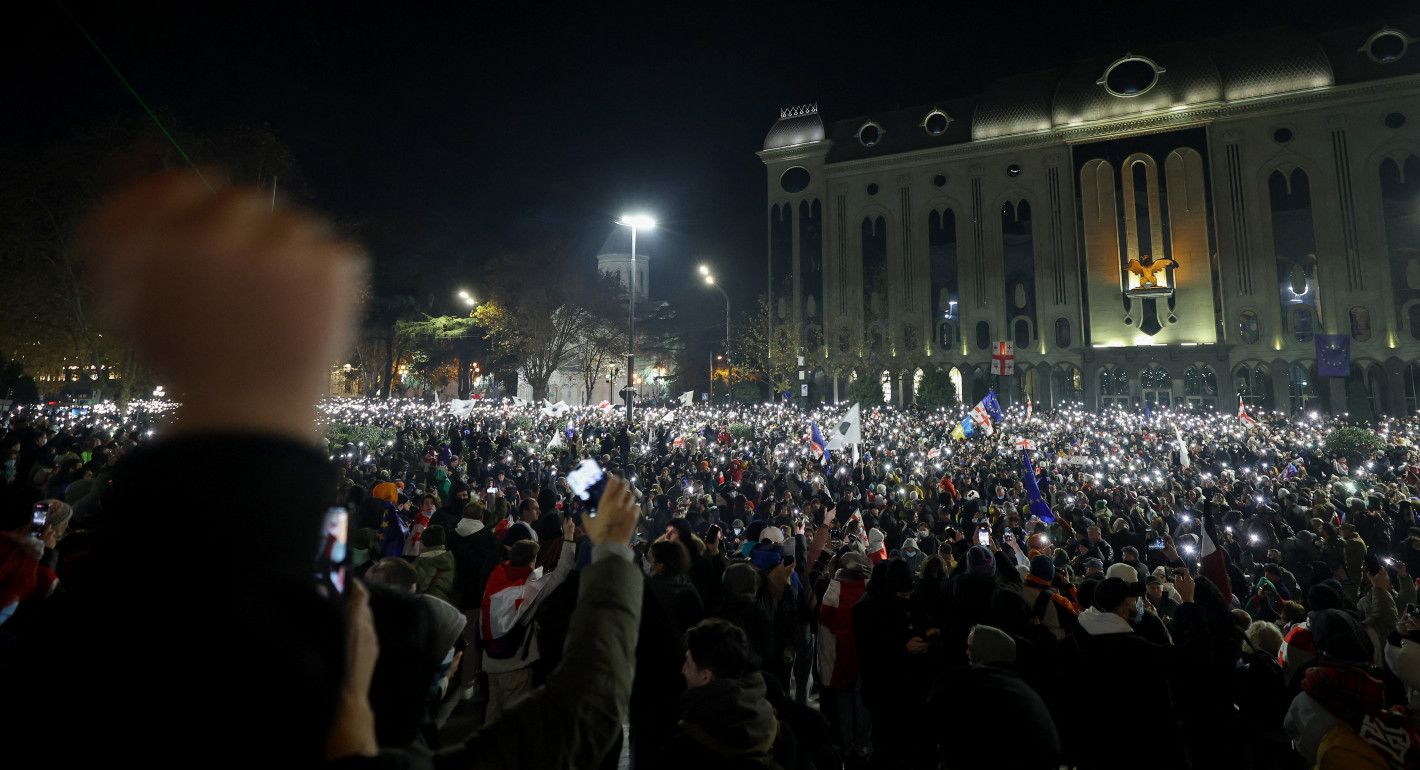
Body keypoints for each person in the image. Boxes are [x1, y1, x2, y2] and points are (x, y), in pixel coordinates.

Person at [8, 172, 646, 769]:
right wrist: (612, 550)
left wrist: (246, 397)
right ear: (360, 689)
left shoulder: (72, 655)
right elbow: (586, 711)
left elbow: (124, 639)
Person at [655, 618, 797, 769]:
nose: (683, 669)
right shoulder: (781, 734)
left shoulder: (683, 752)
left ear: (705, 676)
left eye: (688, 663)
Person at [928, 624, 1061, 770]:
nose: (966, 653)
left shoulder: (980, 684)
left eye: (971, 648)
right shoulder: (1017, 687)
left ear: (984, 651)